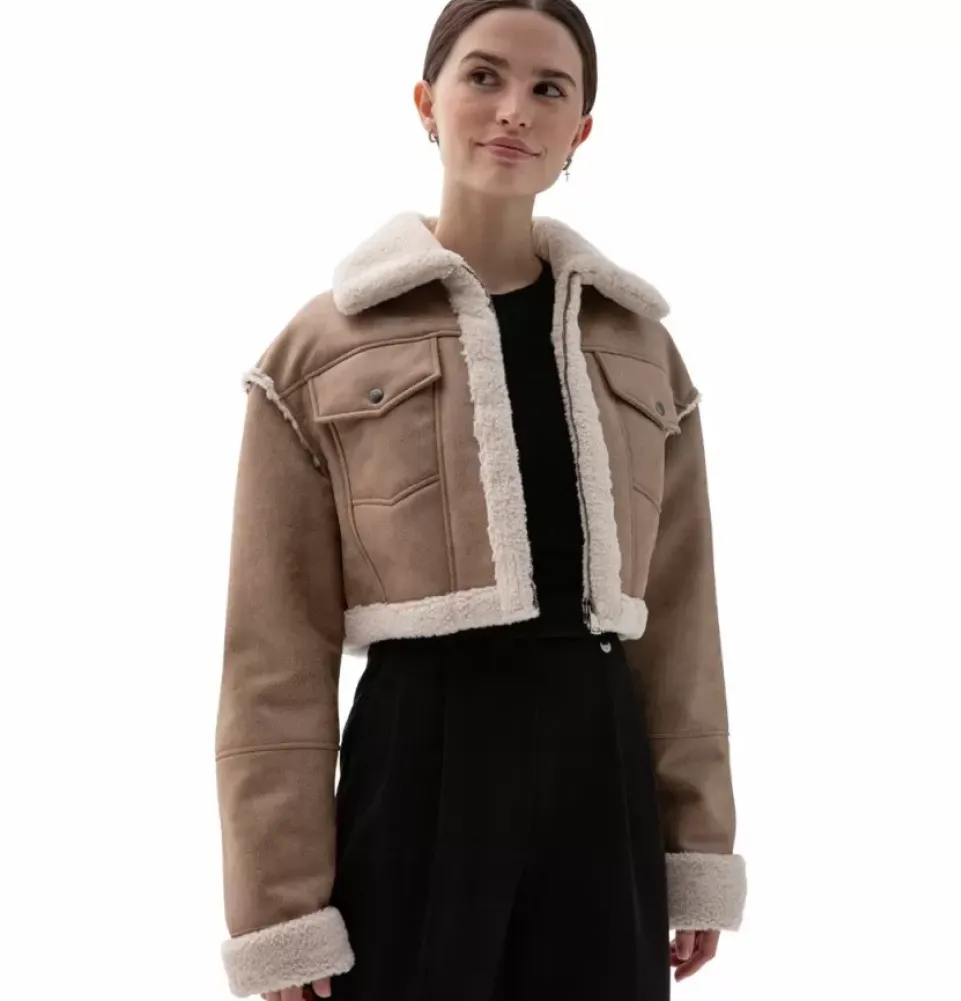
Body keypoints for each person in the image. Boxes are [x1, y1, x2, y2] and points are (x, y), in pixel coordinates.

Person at [213, 1, 747, 998]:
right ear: (427, 101)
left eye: (549, 88)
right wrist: (279, 903)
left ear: (581, 128)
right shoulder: (322, 348)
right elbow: (272, 645)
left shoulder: (638, 346)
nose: (514, 110)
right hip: (421, 754)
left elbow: (682, 617)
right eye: (483, 77)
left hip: (600, 763)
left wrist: (698, 841)